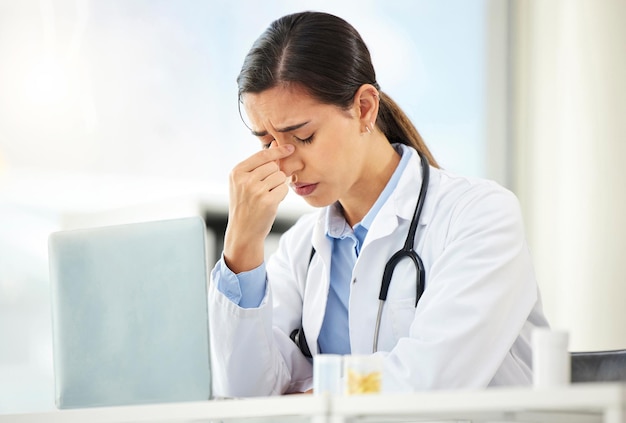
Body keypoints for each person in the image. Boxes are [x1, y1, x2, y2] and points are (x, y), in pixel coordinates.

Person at [208, 11, 549, 397]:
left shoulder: (480, 216)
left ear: (365, 109)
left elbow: (429, 382)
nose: (284, 163)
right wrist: (241, 247)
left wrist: (316, 393)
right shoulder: (302, 249)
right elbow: (246, 392)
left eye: (302, 137)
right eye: (266, 142)